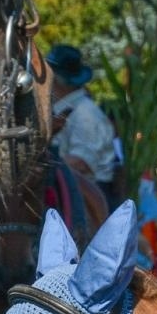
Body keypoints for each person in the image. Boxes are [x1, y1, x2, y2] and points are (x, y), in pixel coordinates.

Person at [46, 44, 118, 207]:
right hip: (68, 189)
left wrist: (39, 166)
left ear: (57, 80)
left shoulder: (85, 114)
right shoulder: (64, 109)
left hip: (88, 197)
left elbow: (81, 163)